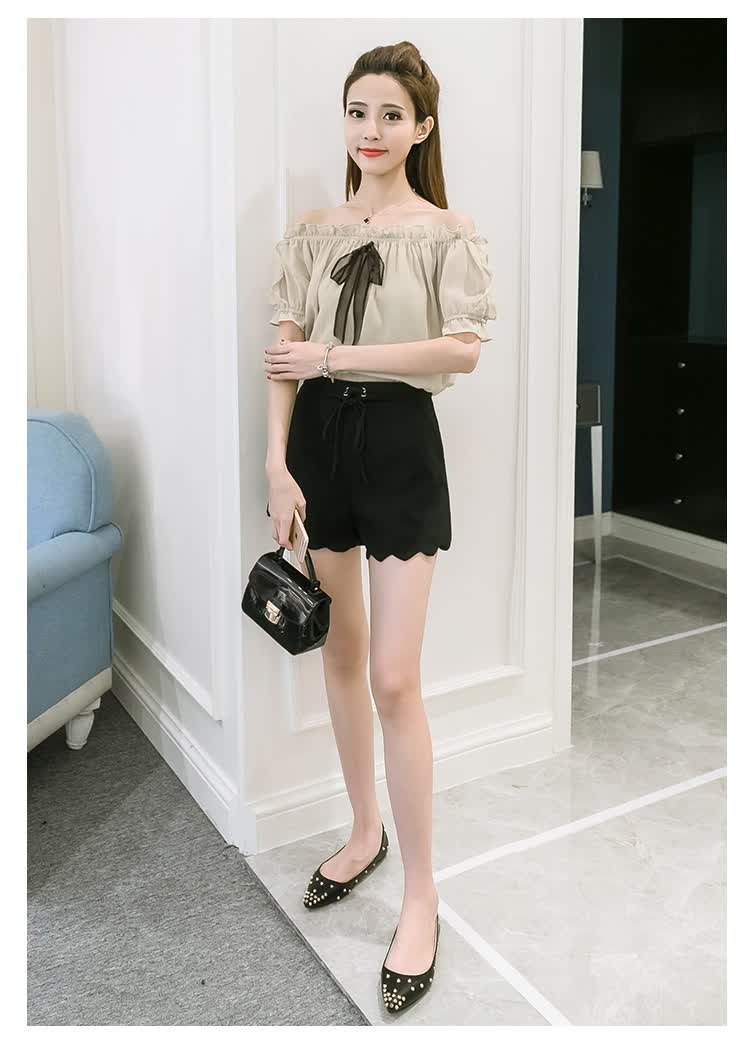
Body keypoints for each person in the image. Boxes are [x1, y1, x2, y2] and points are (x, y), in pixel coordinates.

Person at [263, 40, 496, 1015]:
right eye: (358, 111)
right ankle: (365, 831)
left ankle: (422, 894)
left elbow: (461, 350)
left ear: (422, 127)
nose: (371, 129)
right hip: (319, 447)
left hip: (400, 444)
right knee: (342, 652)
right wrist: (276, 464)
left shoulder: (446, 231)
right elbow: (282, 350)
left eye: (392, 114)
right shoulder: (313, 229)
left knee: (396, 676)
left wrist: (335, 360)